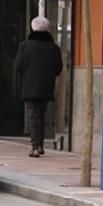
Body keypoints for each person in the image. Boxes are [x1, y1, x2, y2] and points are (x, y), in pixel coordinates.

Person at [15, 17, 63, 157]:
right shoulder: (54, 48)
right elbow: (58, 68)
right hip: (46, 86)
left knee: (32, 115)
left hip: (30, 86)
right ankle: (40, 144)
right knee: (41, 115)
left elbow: (18, 66)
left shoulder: (25, 46)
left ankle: (35, 146)